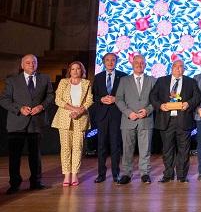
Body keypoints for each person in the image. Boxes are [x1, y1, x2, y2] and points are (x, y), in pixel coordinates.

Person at [1, 54, 54, 194]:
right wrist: (19, 109)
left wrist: (41, 107)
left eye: (34, 62)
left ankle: (36, 182)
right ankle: (14, 184)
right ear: (22, 65)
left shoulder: (45, 78)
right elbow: (4, 100)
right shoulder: (12, 81)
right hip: (16, 123)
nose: (31, 65)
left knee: (35, 155)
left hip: (36, 123)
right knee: (15, 156)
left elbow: (50, 96)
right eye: (28, 62)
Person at [150, 59, 201, 183]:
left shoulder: (191, 82)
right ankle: (168, 175)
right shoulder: (162, 81)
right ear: (171, 68)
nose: (178, 68)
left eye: (181, 66)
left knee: (184, 150)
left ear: (184, 69)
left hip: (183, 120)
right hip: (166, 120)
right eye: (176, 66)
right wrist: (160, 105)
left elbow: (197, 97)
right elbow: (153, 96)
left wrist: (188, 104)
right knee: (167, 149)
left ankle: (182, 176)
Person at [51, 61, 93, 187]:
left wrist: (80, 111)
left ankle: (75, 174)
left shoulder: (86, 83)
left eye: (78, 69)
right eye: (73, 69)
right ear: (70, 70)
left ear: (82, 70)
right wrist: (73, 109)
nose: (75, 71)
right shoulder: (64, 82)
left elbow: (89, 100)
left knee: (78, 147)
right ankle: (67, 174)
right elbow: (58, 99)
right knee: (65, 148)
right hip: (65, 118)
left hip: (81, 118)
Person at [115, 54, 155, 184]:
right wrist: (128, 113)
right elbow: (119, 99)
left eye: (142, 62)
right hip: (128, 120)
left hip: (145, 120)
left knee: (145, 149)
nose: (139, 65)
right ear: (132, 64)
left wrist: (148, 110)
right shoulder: (124, 80)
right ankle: (126, 174)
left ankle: (145, 173)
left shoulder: (152, 80)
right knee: (127, 149)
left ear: (145, 64)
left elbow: (156, 100)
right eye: (137, 62)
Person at [92, 52, 127, 183]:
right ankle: (101, 174)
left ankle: (115, 174)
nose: (110, 62)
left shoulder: (123, 77)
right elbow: (93, 97)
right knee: (101, 146)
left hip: (116, 115)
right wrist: (101, 99)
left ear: (116, 61)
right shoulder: (98, 77)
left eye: (113, 60)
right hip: (102, 115)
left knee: (115, 145)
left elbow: (126, 95)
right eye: (107, 60)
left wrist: (116, 99)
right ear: (103, 62)